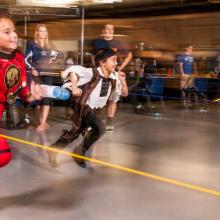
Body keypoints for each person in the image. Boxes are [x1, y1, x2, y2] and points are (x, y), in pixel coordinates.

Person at [48, 48, 128, 168]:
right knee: (100, 129)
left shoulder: (115, 77)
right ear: (103, 62)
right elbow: (73, 72)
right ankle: (79, 152)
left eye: (116, 60)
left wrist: (123, 81)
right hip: (84, 105)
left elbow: (125, 93)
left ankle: (56, 149)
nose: (116, 63)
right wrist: (74, 87)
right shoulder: (92, 72)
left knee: (76, 132)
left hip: (95, 109)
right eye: (113, 60)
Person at [0, 13, 42, 167]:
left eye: (14, 31)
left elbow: (23, 91)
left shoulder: (18, 59)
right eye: (7, 32)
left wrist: (31, 96)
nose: (14, 35)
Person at [91, 23, 132, 132]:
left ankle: (109, 122)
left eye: (112, 29)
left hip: (113, 73)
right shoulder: (97, 42)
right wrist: (95, 67)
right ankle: (93, 121)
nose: (109, 31)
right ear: (103, 30)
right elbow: (93, 56)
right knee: (97, 96)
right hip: (101, 73)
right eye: (107, 29)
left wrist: (120, 67)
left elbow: (129, 55)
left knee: (114, 97)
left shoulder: (118, 43)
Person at [25, 24, 58, 131]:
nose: (43, 33)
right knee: (38, 96)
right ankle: (41, 121)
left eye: (44, 31)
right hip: (36, 74)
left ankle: (43, 122)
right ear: (37, 32)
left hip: (48, 73)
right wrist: (31, 69)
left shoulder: (50, 44)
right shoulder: (32, 44)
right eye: (40, 31)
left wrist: (52, 60)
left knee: (47, 97)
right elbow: (26, 60)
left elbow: (56, 54)